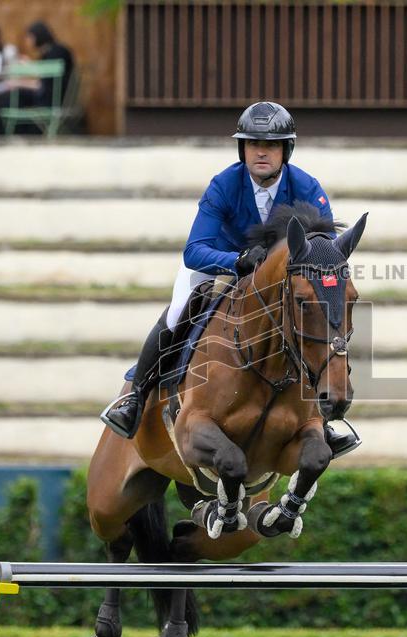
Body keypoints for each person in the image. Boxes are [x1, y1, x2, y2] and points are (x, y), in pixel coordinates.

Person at [101, 101, 359, 458]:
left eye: (270, 145)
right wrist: (235, 260)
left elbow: (323, 252)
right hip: (220, 267)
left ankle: (322, 420)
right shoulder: (224, 185)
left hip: (276, 280)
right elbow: (194, 250)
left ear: (286, 150)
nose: (261, 152)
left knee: (311, 321)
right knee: (178, 310)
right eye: (253, 144)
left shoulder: (307, 186)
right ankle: (136, 396)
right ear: (243, 149)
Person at [0, 21, 74, 134]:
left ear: (37, 36)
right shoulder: (46, 53)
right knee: (10, 95)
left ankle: (2, 132)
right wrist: (18, 82)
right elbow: (42, 82)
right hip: (46, 95)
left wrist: (29, 68)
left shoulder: (58, 51)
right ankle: (3, 131)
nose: (27, 42)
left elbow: (47, 83)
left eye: (29, 38)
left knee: (12, 97)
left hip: (53, 99)